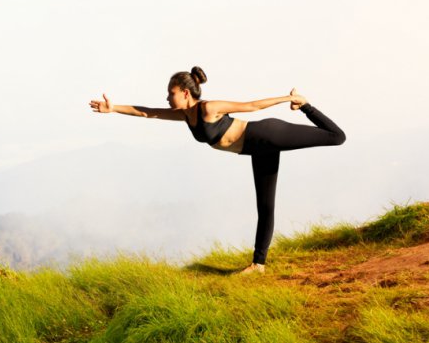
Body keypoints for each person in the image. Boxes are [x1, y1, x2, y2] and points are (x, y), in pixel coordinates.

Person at [89, 66, 346, 274]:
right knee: (265, 208)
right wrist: (113, 109)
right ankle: (258, 265)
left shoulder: (208, 108)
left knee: (336, 137)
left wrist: (291, 99)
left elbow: (252, 106)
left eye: (171, 93)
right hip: (257, 150)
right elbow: (148, 113)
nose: (167, 98)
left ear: (186, 93)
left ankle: (307, 105)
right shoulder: (185, 115)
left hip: (266, 134)